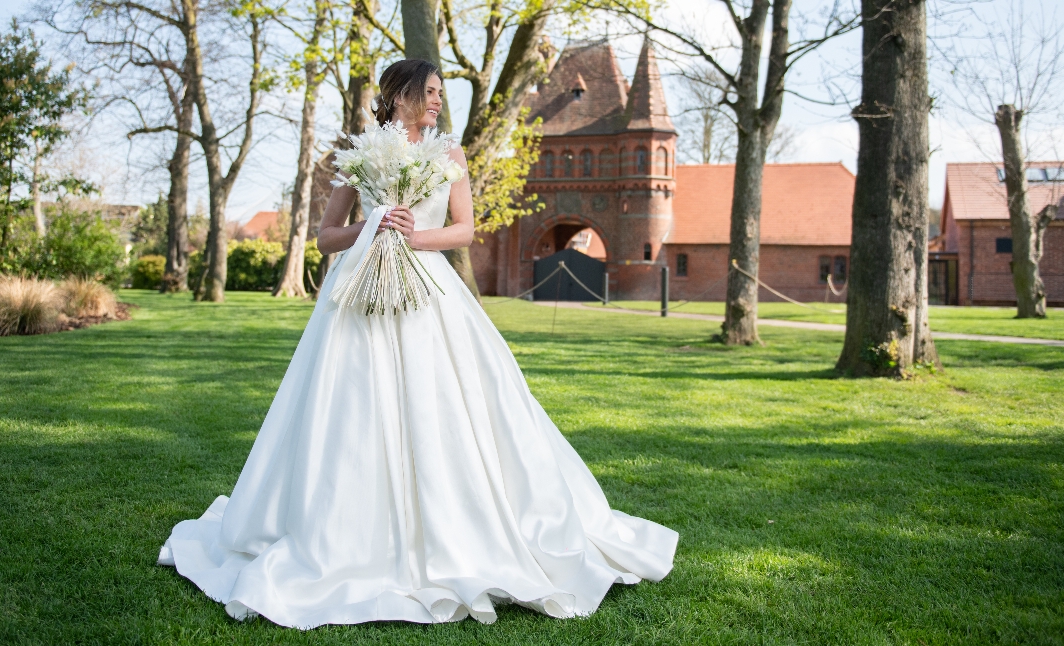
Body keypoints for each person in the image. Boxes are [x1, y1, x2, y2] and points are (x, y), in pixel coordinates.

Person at [158, 58, 677, 630]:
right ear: (400, 94)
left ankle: (456, 525)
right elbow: (326, 235)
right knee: (351, 407)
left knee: (452, 407)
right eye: (429, 91)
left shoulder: (449, 155)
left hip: (429, 290)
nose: (436, 101)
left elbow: (465, 230)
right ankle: (337, 530)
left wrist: (413, 234)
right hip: (355, 299)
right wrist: (372, 224)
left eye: (439, 93)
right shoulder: (360, 155)